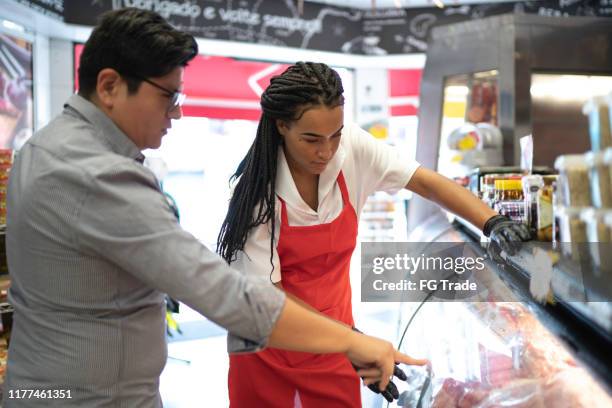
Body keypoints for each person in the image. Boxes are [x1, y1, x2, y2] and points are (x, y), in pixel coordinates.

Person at [3, 9, 426, 408]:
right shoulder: (98, 174)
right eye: (169, 96)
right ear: (110, 85)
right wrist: (352, 342)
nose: (179, 111)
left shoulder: (44, 147)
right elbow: (221, 292)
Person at [217, 62, 531, 407]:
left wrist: (492, 223)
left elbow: (423, 181)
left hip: (336, 342)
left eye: (334, 135)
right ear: (281, 126)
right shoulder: (254, 197)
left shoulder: (351, 147)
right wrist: (351, 340)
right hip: (269, 347)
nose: (326, 151)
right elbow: (266, 300)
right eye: (311, 140)